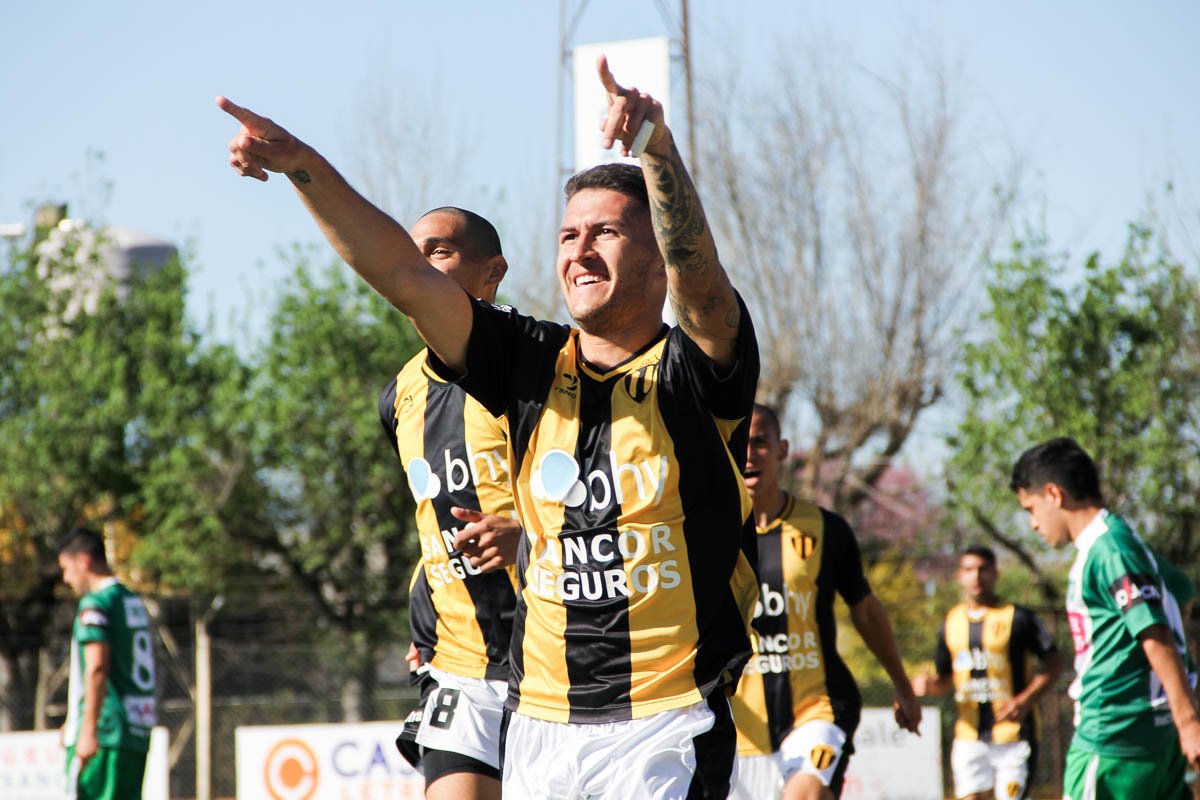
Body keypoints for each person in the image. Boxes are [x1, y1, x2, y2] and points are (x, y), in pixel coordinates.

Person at [219, 54, 759, 799]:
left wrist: (656, 149)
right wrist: (302, 166)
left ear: (656, 255)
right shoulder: (526, 362)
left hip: (665, 724)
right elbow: (405, 278)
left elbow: (702, 284)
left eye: (605, 232)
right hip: (540, 726)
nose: (579, 250)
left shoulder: (694, 370)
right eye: (567, 236)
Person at [380, 207, 520, 800]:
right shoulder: (400, 394)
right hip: (460, 663)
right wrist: (425, 612)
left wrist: (526, 536)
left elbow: (605, 496)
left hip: (560, 658)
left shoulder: (540, 366)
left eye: (438, 252)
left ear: (493, 272)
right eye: (411, 253)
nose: (417, 266)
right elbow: (431, 522)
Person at [728, 404, 921, 800]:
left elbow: (865, 610)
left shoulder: (825, 529)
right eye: (739, 444)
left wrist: (902, 685)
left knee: (805, 795)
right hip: (738, 727)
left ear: (782, 450)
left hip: (816, 709)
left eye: (760, 443)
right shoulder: (710, 538)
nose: (749, 455)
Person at [1010, 436, 1200, 800]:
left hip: (1113, 738)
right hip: (1153, 739)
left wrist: (1187, 719)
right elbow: (1180, 589)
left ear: (1054, 494)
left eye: (1030, 509)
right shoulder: (1125, 540)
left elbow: (1153, 630)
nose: (1033, 524)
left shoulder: (1108, 549)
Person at [912, 545, 1063, 800]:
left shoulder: (1019, 617)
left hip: (1014, 735)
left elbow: (1054, 663)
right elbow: (944, 681)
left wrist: (1024, 700)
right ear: (959, 575)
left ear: (995, 573)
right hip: (968, 736)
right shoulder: (951, 622)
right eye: (969, 569)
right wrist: (927, 686)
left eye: (983, 569)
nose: (976, 576)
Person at [57, 526, 157, 800]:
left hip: (106, 730)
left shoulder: (96, 604)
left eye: (66, 569)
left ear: (83, 561)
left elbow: (97, 667)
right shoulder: (131, 600)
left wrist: (87, 729)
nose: (66, 579)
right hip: (135, 729)